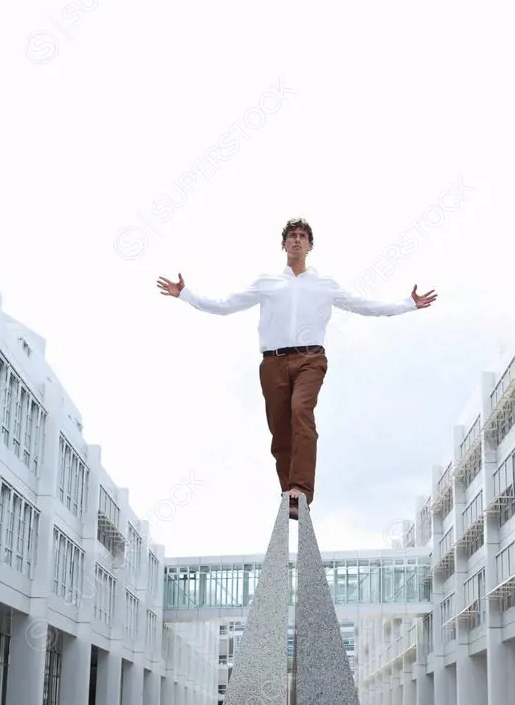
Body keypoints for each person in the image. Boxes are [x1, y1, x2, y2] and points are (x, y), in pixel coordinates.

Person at [157, 218, 437, 520]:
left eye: (303, 236)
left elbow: (364, 305)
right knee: (280, 429)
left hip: (310, 360)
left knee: (300, 410)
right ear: (284, 244)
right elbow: (225, 304)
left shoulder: (325, 285)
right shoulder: (267, 282)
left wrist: (407, 304)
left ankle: (301, 489)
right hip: (273, 362)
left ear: (310, 246)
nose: (297, 240)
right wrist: (186, 294)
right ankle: (289, 493)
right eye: (292, 236)